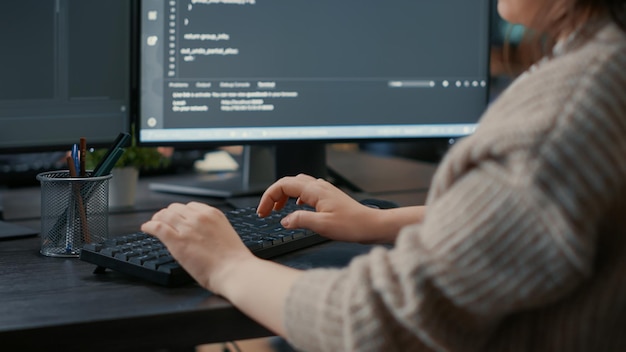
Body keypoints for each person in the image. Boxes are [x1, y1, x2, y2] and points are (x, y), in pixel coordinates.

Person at [141, 1, 626, 350]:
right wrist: (376, 223)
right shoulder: (603, 69)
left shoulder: (568, 109)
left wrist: (228, 266)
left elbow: (378, 324)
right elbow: (538, 218)